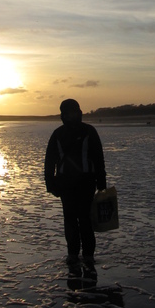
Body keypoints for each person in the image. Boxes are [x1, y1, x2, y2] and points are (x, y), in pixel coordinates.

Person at [44, 99, 106, 266]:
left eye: (74, 112)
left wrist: (101, 183)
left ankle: (88, 255)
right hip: (65, 183)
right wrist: (51, 184)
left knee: (85, 219)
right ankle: (72, 254)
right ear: (63, 115)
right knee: (70, 219)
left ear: (79, 112)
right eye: (68, 112)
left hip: (86, 182)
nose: (72, 115)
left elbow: (98, 158)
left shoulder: (89, 131)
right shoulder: (58, 134)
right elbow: (49, 161)